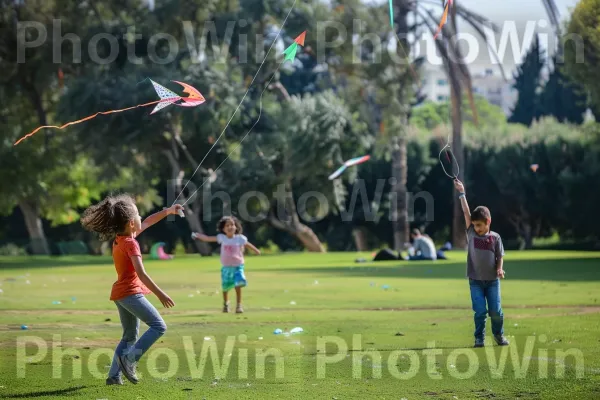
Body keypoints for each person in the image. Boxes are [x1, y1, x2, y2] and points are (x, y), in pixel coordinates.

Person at [81, 194, 179, 385]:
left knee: (129, 336)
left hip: (120, 293)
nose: (142, 217)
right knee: (159, 326)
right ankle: (129, 360)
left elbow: (149, 221)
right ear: (131, 223)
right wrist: (160, 294)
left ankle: (114, 376)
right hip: (130, 293)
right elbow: (141, 274)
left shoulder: (121, 238)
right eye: (138, 215)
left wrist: (168, 211)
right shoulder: (131, 244)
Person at [454, 179, 509, 348]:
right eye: (475, 225)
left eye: (480, 225)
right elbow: (466, 212)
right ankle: (479, 338)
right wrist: (462, 192)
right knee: (480, 312)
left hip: (492, 281)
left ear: (488, 222)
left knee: (496, 311)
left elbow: (500, 255)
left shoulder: (495, 238)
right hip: (475, 281)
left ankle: (499, 335)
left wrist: (499, 269)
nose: (476, 228)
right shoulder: (471, 233)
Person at [192, 216, 260, 313]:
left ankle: (239, 306)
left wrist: (256, 251)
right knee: (225, 287)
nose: (230, 227)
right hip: (226, 267)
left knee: (238, 285)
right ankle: (226, 304)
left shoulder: (240, 238)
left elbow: (248, 244)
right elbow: (208, 238)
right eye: (227, 225)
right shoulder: (222, 238)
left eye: (232, 225)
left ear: (236, 227)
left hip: (238, 266)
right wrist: (198, 236)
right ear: (223, 229)